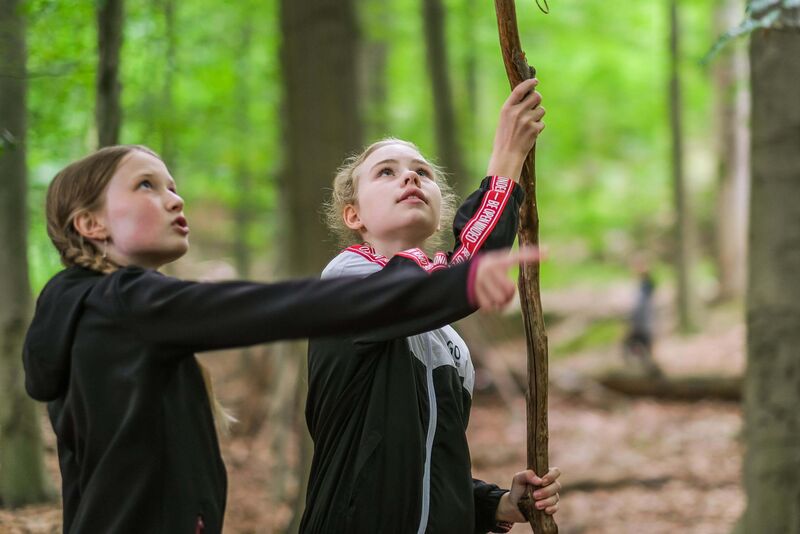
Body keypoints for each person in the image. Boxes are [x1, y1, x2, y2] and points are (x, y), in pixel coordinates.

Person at [22, 144, 538, 534]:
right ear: (90, 223)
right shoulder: (120, 305)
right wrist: (471, 257)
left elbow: (418, 462)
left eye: (172, 185)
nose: (175, 198)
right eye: (146, 186)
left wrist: (488, 504)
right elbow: (269, 307)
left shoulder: (130, 319)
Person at [301, 78, 561, 534]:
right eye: (386, 172)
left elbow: (426, 467)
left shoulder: (448, 342)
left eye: (422, 172)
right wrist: (506, 161)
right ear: (354, 215)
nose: (410, 178)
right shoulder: (346, 285)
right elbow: (460, 275)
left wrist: (496, 505)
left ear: (441, 208)